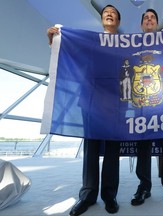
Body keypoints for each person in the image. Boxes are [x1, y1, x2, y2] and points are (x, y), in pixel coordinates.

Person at [47, 5, 121, 215]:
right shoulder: (88, 40)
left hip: (115, 102)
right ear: (102, 19)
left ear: (118, 21)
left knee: (112, 152)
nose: (108, 13)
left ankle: (109, 196)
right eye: (106, 11)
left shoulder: (126, 44)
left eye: (113, 13)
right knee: (91, 151)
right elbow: (67, 52)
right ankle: (87, 195)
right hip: (90, 100)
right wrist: (53, 39)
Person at [130, 9, 163, 210]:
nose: (149, 20)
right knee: (143, 148)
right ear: (142, 25)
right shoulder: (133, 45)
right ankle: (144, 186)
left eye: (152, 17)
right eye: (146, 18)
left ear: (157, 23)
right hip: (142, 107)